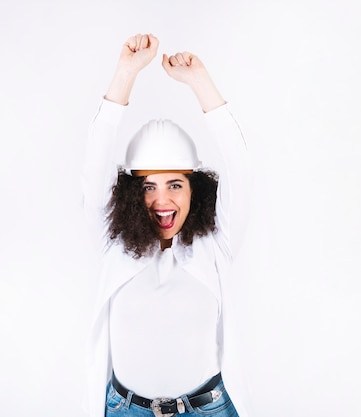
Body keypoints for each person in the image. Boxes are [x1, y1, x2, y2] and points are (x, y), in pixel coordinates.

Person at [82, 33, 250, 417]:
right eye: (148, 187)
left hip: (208, 409)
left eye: (175, 184)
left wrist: (200, 83)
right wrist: (125, 73)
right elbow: (94, 166)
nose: (162, 201)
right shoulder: (113, 244)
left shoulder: (215, 245)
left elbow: (240, 168)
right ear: (129, 194)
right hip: (126, 410)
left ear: (197, 189)